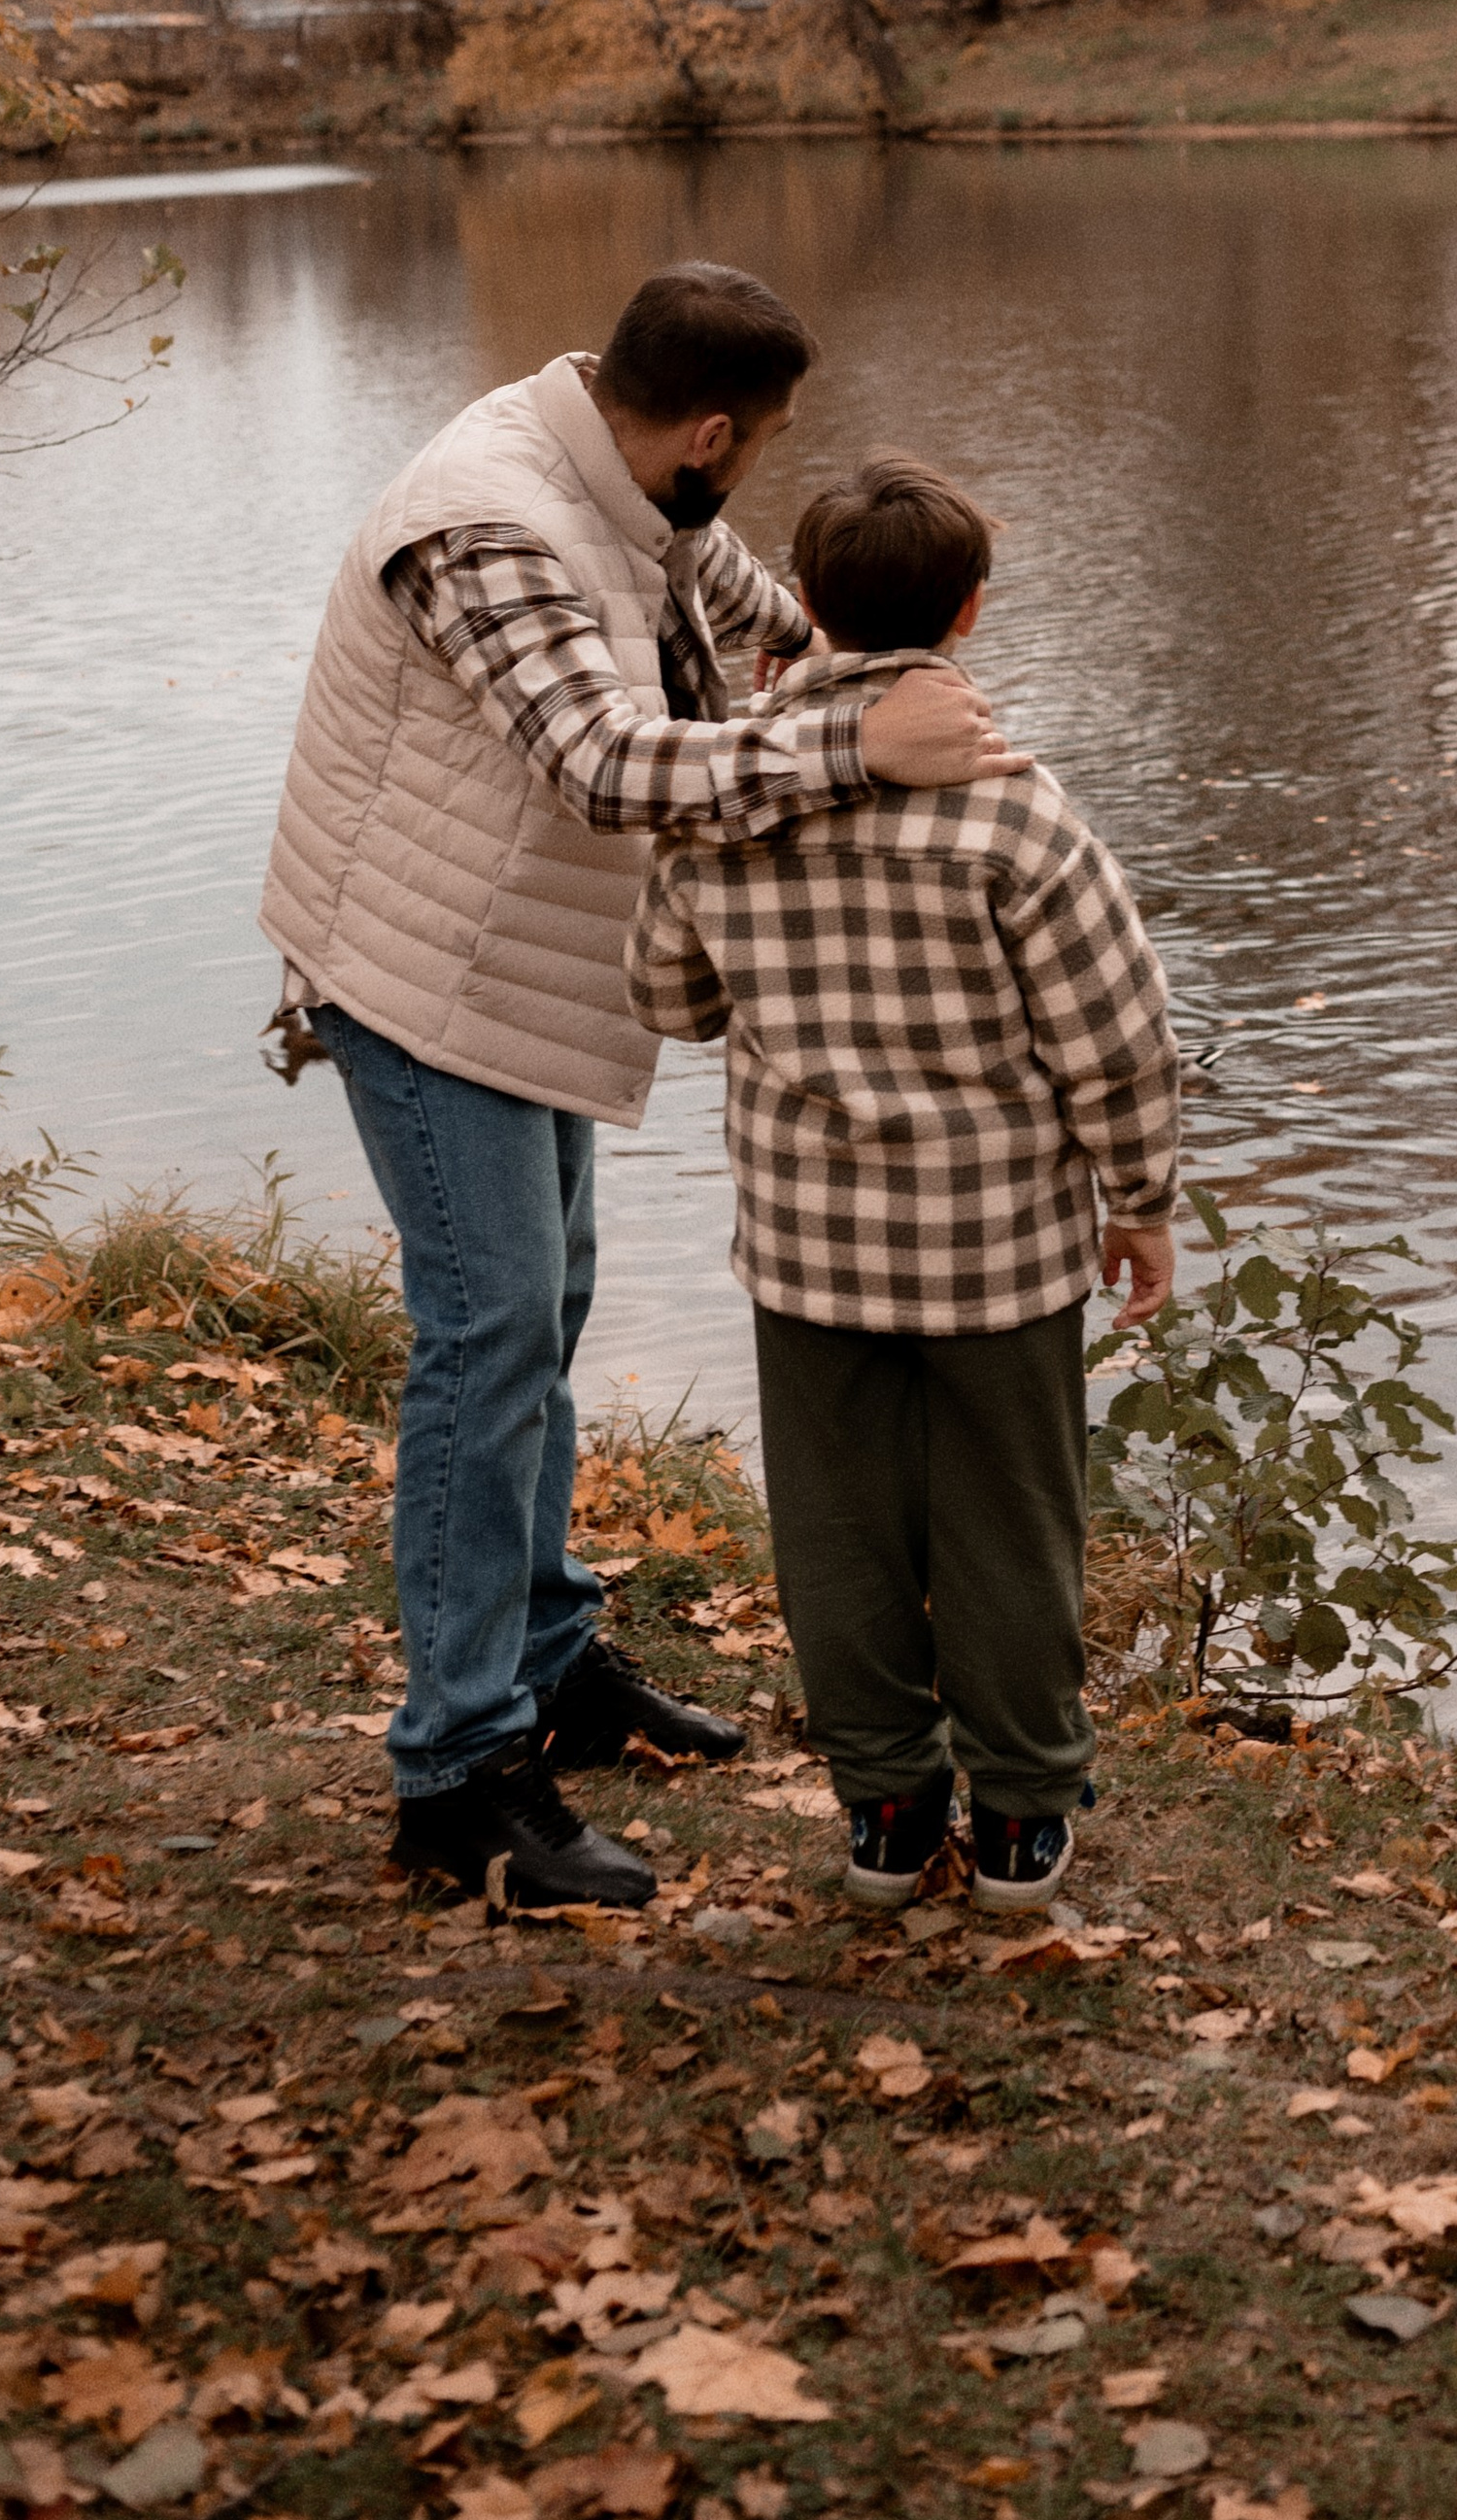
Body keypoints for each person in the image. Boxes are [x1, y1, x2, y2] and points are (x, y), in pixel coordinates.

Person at [259, 266, 1021, 1915]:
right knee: (489, 1337)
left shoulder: (630, 477)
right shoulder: (490, 525)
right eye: (769, 443)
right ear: (714, 429)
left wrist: (866, 667)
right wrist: (853, 750)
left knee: (550, 1304)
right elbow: (601, 763)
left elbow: (767, 614)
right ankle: (458, 1773)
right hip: (418, 972)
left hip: (518, 967)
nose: (755, 474)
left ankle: (548, 1662)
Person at [626, 454, 1180, 1917]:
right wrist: (1141, 1201)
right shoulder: (1015, 812)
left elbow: (669, 1000)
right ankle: (1020, 1821)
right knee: (1012, 1525)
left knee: (838, 1533)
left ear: (806, 602)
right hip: (998, 1251)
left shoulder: (726, 796)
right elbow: (1117, 1036)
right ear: (971, 609)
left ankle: (883, 1807)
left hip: (809, 1246)